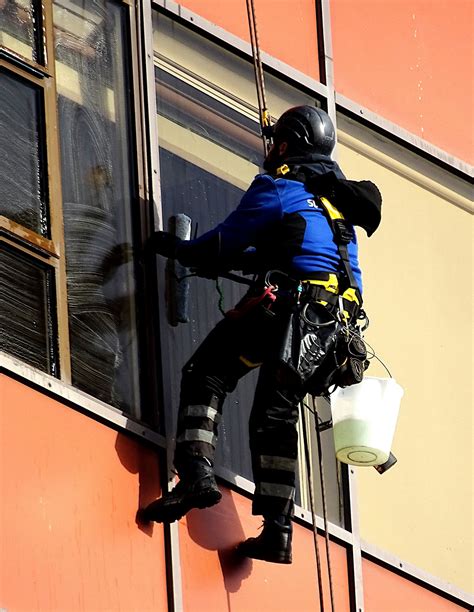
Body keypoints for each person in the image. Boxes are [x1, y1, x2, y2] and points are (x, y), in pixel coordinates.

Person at [141, 105, 382, 564]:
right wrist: (247, 262)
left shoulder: (279, 186)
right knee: (275, 415)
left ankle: (195, 471)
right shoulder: (337, 208)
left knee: (206, 374)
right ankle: (277, 530)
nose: (269, 149)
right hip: (333, 332)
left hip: (286, 313)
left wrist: (180, 249)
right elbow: (302, 254)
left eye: (275, 142)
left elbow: (222, 242)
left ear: (287, 145)